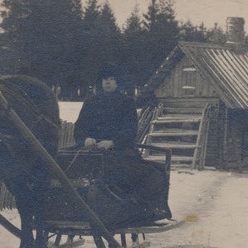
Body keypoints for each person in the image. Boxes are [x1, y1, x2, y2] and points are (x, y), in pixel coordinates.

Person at [71, 65, 172, 226]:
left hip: (119, 151)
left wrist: (113, 142)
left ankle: (141, 212)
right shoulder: (91, 102)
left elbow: (130, 131)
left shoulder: (126, 102)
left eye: (112, 79)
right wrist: (85, 140)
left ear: (118, 82)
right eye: (105, 79)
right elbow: (79, 128)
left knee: (151, 174)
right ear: (100, 82)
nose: (108, 83)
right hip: (91, 152)